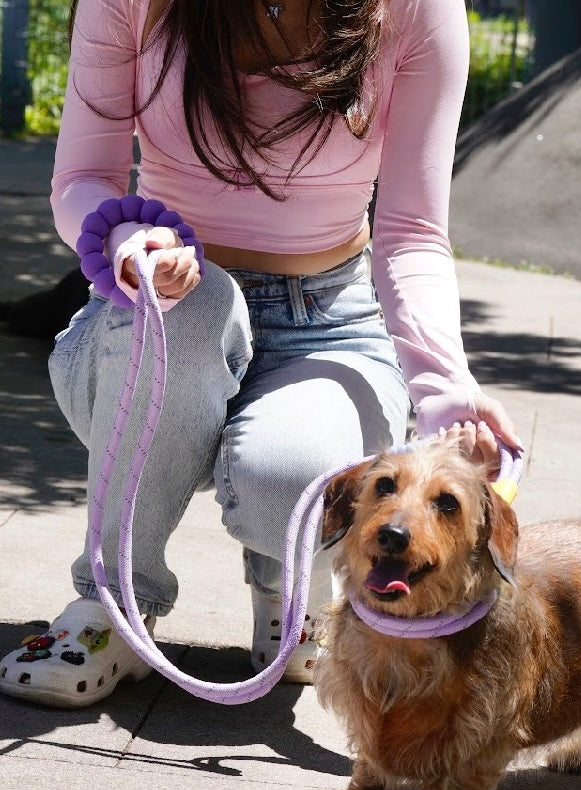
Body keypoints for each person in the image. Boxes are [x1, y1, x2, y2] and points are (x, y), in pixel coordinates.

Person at [0, 0, 518, 708]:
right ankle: (111, 604)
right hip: (164, 306)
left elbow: (412, 231)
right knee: (198, 304)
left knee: (292, 484)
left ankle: (289, 587)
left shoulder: (416, 8)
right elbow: (80, 179)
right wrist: (126, 240)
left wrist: (444, 385)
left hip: (329, 321)